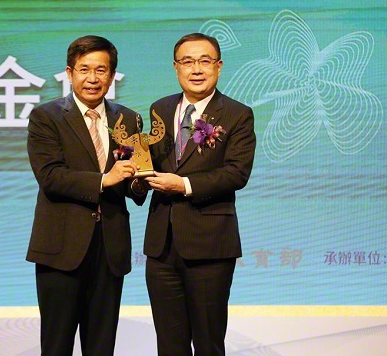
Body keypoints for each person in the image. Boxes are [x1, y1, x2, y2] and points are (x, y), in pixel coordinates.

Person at [26, 35, 147, 355]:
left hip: (110, 249)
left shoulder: (128, 119)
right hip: (61, 248)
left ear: (112, 75)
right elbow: (50, 177)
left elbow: (131, 181)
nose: (92, 78)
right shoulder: (46, 117)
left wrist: (141, 181)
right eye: (84, 69)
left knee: (101, 346)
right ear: (69, 73)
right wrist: (105, 180)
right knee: (56, 344)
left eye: (101, 70)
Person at [143, 33, 256, 355]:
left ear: (218, 67)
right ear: (176, 68)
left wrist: (185, 186)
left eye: (204, 61)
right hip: (161, 245)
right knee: (169, 343)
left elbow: (236, 172)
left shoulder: (236, 114)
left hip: (210, 245)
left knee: (208, 341)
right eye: (187, 62)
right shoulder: (160, 109)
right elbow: (151, 162)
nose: (196, 69)